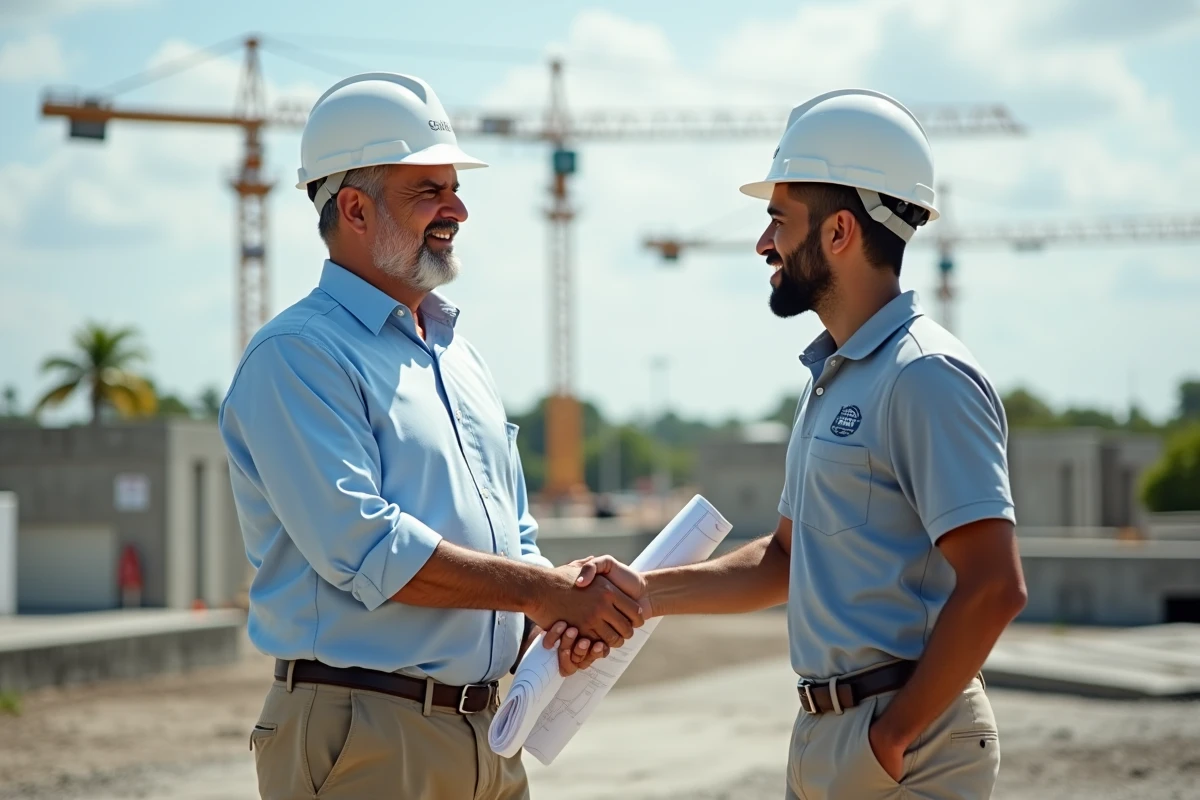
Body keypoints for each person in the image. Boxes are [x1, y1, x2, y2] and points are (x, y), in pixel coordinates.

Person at [577, 89, 1027, 800]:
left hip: (904, 741)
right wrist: (641, 594)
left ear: (840, 232)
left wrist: (890, 738)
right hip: (830, 731)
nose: (764, 243)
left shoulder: (926, 376)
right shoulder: (835, 377)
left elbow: (996, 585)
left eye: (779, 220)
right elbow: (785, 559)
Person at [219, 72, 644, 800]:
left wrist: (552, 621)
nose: (458, 210)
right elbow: (367, 548)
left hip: (488, 733)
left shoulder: (458, 356)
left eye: (455, 188)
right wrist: (543, 592)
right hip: (365, 736)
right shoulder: (298, 356)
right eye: (428, 190)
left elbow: (512, 535)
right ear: (354, 207)